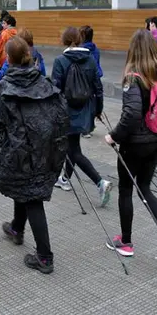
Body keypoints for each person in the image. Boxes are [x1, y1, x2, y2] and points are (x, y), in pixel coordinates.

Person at [0, 35, 69, 274]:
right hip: (46, 146)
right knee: (23, 186)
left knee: (32, 196)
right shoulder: (43, 81)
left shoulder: (6, 86)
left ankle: (44, 257)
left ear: (8, 58)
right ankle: (16, 228)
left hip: (22, 150)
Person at [104, 30, 157, 258]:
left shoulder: (134, 76)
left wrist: (113, 135)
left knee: (126, 189)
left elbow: (131, 115)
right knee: (146, 188)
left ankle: (126, 242)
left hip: (134, 143)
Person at [51, 27, 112, 205]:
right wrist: (98, 110)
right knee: (73, 145)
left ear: (64, 40)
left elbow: (55, 90)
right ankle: (65, 178)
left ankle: (100, 182)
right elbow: (98, 88)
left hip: (65, 111)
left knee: (74, 150)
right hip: (85, 110)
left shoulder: (60, 61)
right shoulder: (91, 60)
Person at [80, 25, 102, 138]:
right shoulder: (95, 49)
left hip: (85, 78)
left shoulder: (82, 50)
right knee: (92, 101)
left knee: (85, 102)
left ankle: (85, 128)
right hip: (95, 77)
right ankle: (90, 125)